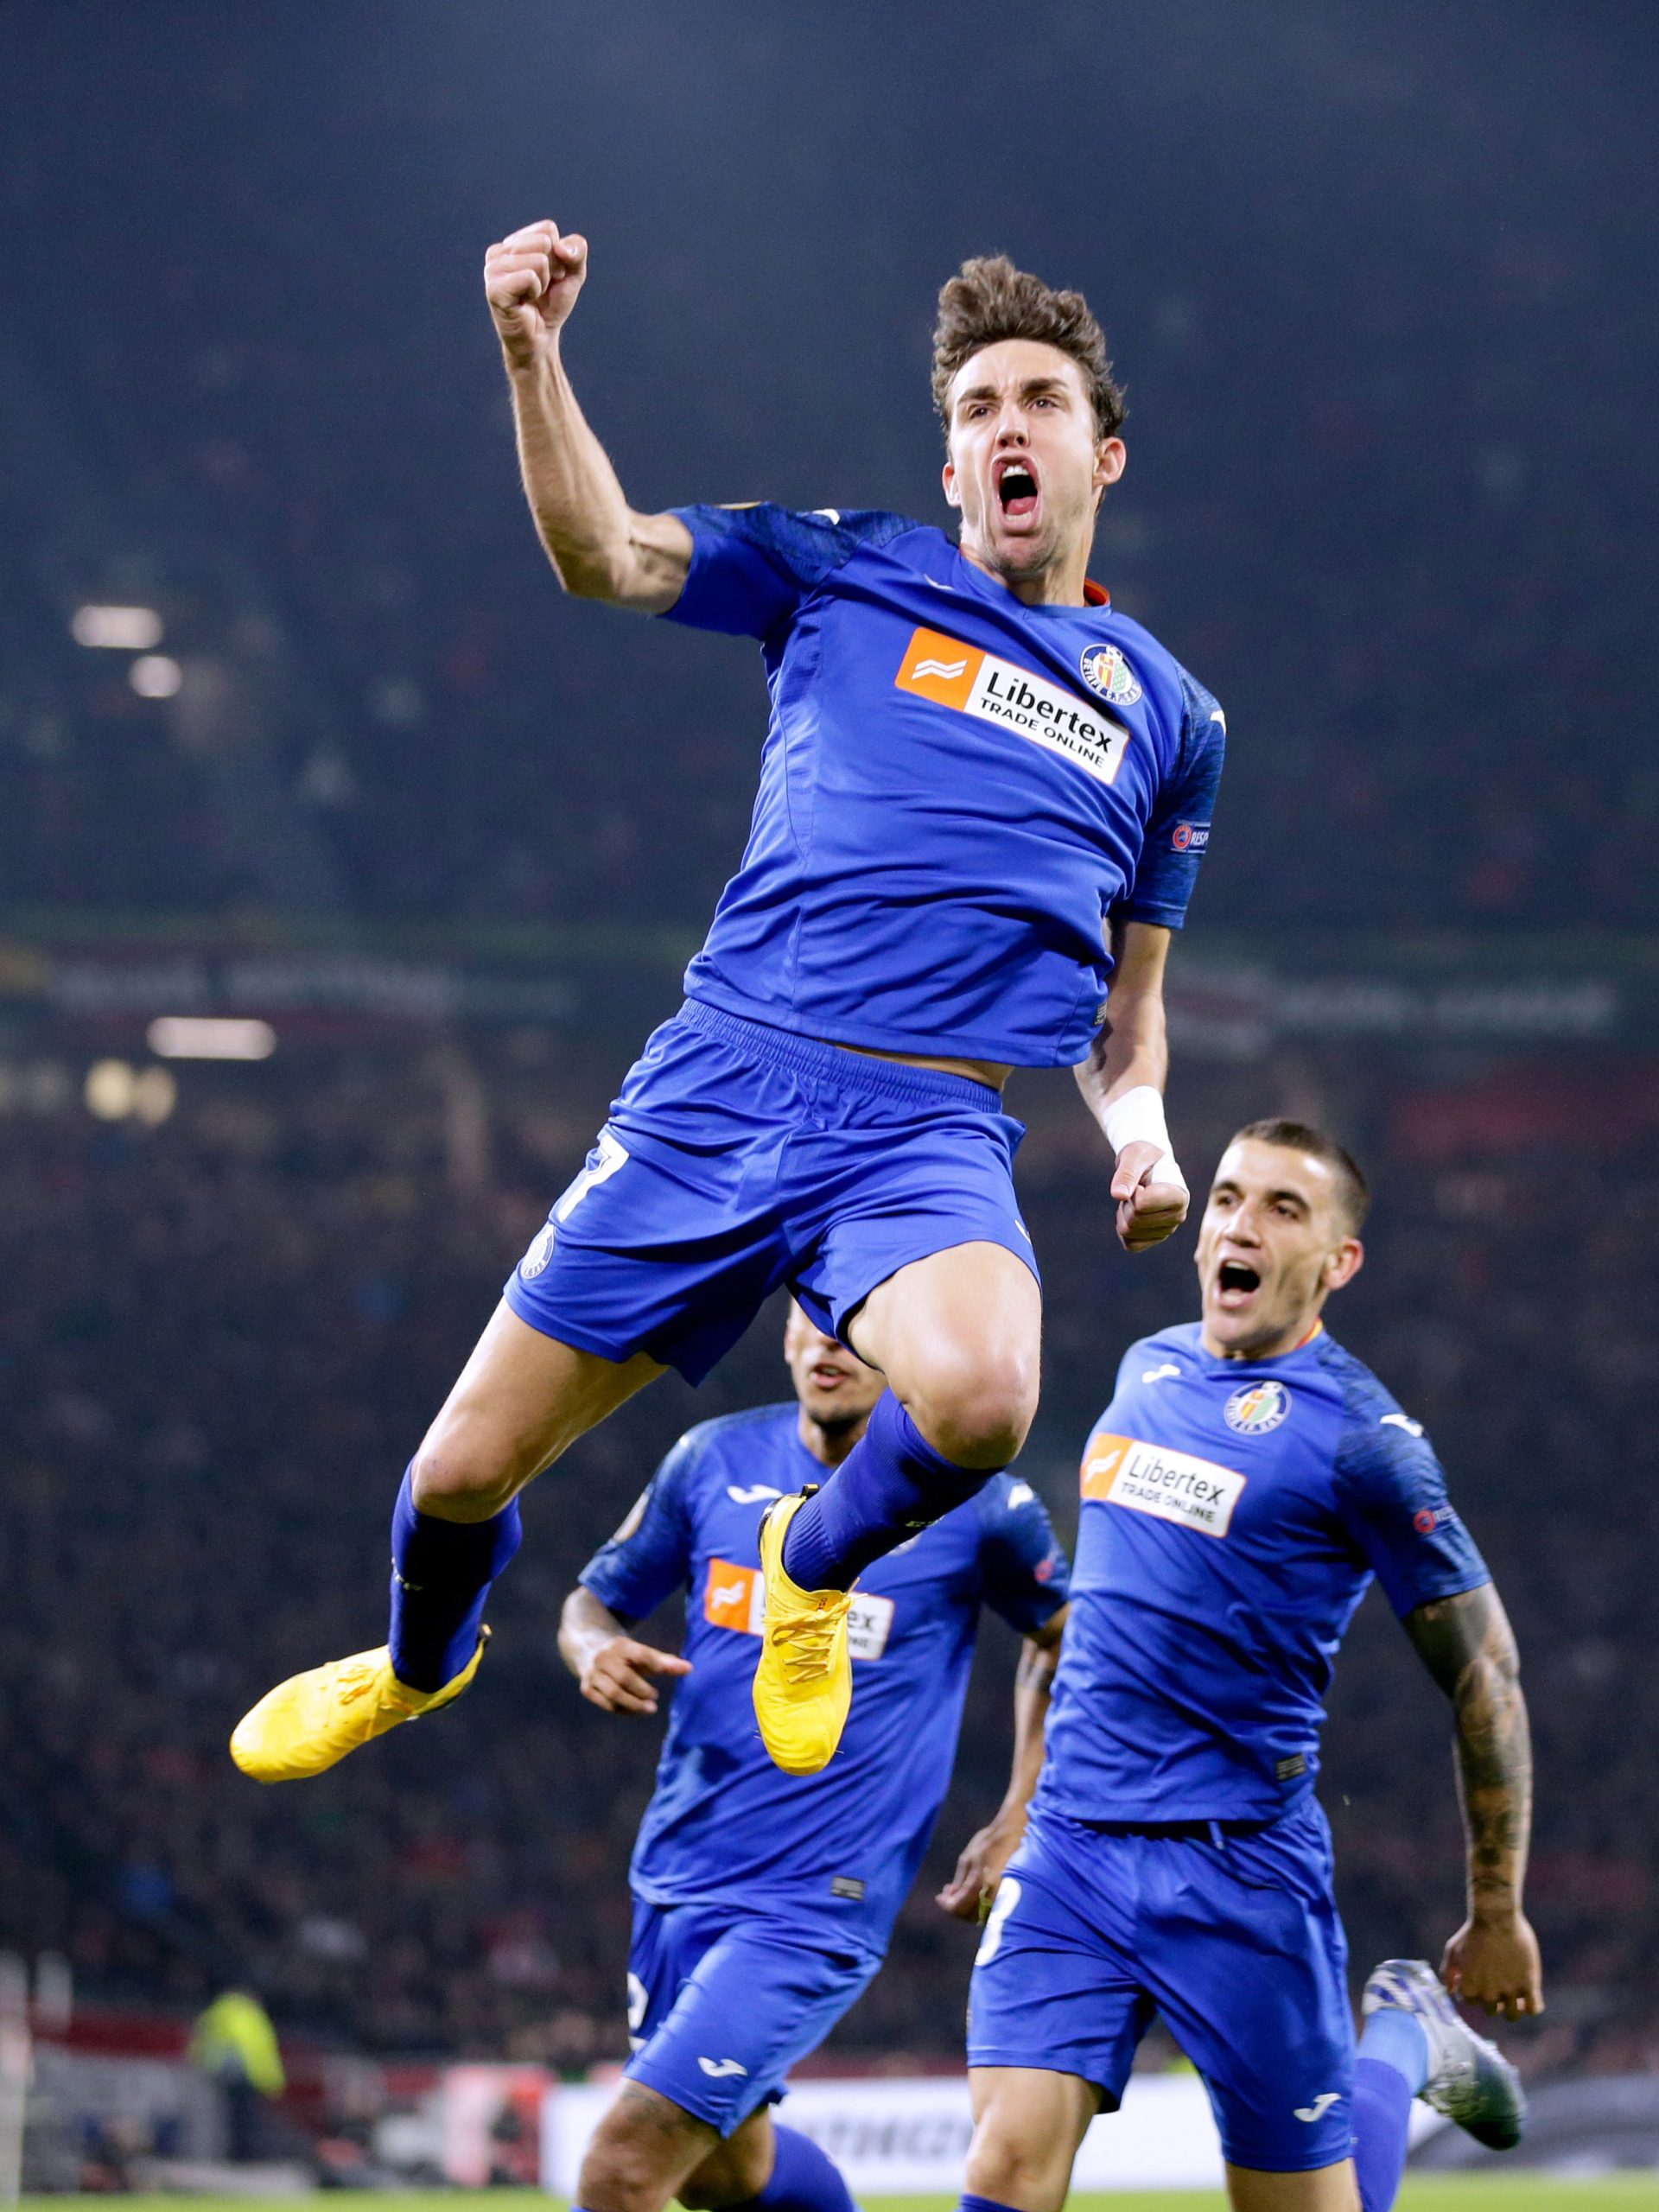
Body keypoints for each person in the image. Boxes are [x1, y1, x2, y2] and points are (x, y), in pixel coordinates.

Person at [231, 232, 1221, 1788]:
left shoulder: (1168, 713)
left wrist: (1145, 1138)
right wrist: (531, 354)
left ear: (1104, 454)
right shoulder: (846, 569)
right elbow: (605, 555)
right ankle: (417, 1667)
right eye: (976, 408)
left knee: (984, 1401)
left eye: (1040, 401)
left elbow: (1124, 1011)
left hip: (926, 1131)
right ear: (952, 465)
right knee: (459, 1474)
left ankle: (810, 1566)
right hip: (724, 1087)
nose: (1006, 427)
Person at [950, 1119, 1542, 2212]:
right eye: (1226, 1197)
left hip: (1241, 1870)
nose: (1239, 1224)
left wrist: (1495, 1910)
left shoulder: (1366, 1442)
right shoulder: (1146, 1369)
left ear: (1339, 1261)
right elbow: (1088, 1616)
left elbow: (1485, 1674)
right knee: (1003, 2172)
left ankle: (1402, 2038)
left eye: (1283, 1208)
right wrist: (1018, 1804)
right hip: (1073, 1852)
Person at [558, 1301, 1070, 2212]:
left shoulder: (979, 1502)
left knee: (622, 2168)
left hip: (814, 1902)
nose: (831, 1338)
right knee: (722, 2174)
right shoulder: (712, 1460)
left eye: (857, 1321)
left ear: (907, 1345)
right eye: (813, 1316)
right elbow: (590, 1603)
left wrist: (1020, 1810)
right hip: (679, 1874)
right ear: (788, 1335)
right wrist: (593, 1646)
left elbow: (1064, 1637)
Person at [188, 1988, 285, 2164]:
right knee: (245, 2121)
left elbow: (201, 2040)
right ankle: (244, 2158)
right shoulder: (247, 2013)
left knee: (235, 2120)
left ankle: (238, 2156)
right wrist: (271, 2080)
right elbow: (256, 2049)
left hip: (228, 2075)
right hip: (246, 2077)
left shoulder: (219, 2011)